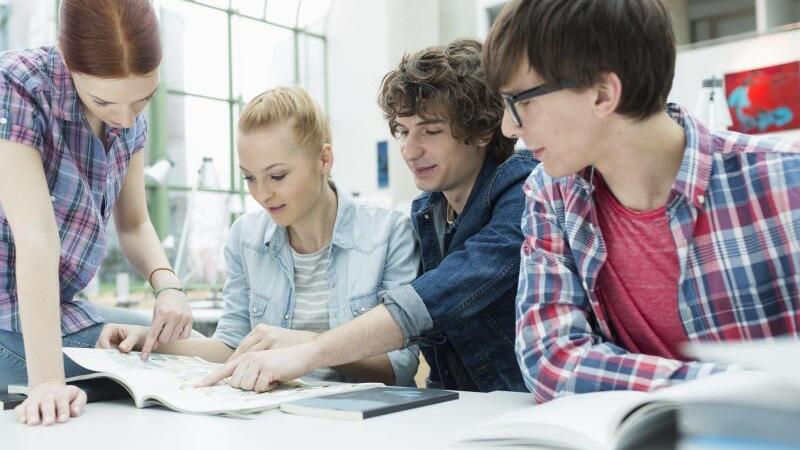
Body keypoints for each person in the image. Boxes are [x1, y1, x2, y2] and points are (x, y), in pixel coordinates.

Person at [482, 0, 800, 403]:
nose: (510, 127)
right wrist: (740, 389)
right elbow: (549, 355)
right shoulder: (552, 193)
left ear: (602, 94)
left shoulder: (785, 183)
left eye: (520, 101)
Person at [199, 39, 536, 393]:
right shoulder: (427, 212)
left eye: (431, 131)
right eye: (404, 131)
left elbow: (434, 298)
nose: (408, 150)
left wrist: (310, 350)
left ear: (483, 130)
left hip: (518, 405)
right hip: (454, 405)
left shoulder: (523, 190)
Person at [99, 86, 421, 389]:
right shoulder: (245, 237)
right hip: (274, 417)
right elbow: (231, 347)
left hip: (365, 422)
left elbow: (399, 366)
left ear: (324, 159)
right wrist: (151, 342)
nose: (262, 194)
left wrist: (305, 344)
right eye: (250, 178)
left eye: (277, 176)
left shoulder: (390, 232)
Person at [0, 0, 191, 426]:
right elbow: (36, 237)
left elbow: (136, 223)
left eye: (143, 101)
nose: (125, 119)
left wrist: (168, 286)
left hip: (62, 306)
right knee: (157, 363)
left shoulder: (128, 121)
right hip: (6, 310)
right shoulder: (17, 84)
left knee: (174, 342)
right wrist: (47, 382)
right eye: (104, 102)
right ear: (68, 60)